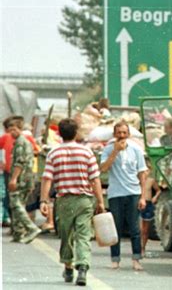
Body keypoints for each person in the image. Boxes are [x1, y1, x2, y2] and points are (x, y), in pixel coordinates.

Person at [40, 118, 105, 286]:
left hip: (64, 201)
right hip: (84, 200)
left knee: (66, 235)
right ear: (76, 133)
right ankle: (82, 267)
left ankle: (68, 266)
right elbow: (95, 179)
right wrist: (100, 201)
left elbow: (47, 179)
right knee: (83, 235)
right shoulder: (87, 153)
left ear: (60, 134)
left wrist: (44, 200)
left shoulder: (53, 153)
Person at [100, 121, 147, 271]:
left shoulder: (136, 150)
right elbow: (104, 168)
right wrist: (115, 152)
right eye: (118, 133)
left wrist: (143, 196)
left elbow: (142, 173)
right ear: (114, 134)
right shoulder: (108, 150)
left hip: (133, 192)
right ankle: (115, 259)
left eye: (124, 133)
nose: (121, 136)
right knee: (116, 228)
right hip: (116, 193)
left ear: (128, 134)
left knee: (134, 228)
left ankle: (136, 259)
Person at [5, 116, 41, 244]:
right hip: (26, 178)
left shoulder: (21, 142)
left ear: (19, 129)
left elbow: (20, 163)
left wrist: (13, 179)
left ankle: (31, 228)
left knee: (16, 204)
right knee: (18, 204)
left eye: (14, 129)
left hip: (22, 178)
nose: (11, 133)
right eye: (10, 130)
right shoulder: (22, 141)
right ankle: (18, 233)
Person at [140, 161, 161, 257]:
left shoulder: (151, 180)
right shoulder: (137, 180)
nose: (146, 172)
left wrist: (155, 197)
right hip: (139, 203)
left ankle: (143, 248)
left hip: (148, 203)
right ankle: (137, 248)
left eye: (147, 170)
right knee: (139, 228)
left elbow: (158, 190)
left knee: (145, 229)